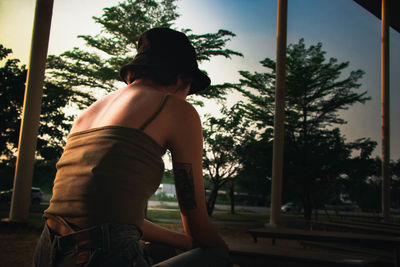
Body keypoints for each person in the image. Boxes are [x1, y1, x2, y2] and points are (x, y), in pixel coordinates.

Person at [32, 28, 231, 267]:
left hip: (47, 250)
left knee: (164, 249)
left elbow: (110, 218)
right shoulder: (178, 110)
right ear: (182, 79)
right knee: (217, 257)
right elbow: (196, 224)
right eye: (189, 90)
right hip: (101, 254)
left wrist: (185, 242)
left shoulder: (88, 114)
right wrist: (223, 250)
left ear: (134, 73)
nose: (187, 98)